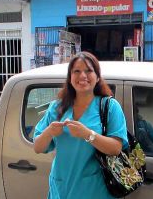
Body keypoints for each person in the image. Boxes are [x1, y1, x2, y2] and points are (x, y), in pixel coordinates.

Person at [33, 51, 128, 199]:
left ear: (97, 77)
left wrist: (88, 134)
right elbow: (38, 147)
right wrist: (49, 132)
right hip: (61, 188)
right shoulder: (57, 107)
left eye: (89, 71)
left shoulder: (109, 107)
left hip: (95, 191)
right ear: (70, 78)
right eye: (76, 71)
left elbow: (116, 148)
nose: (82, 76)